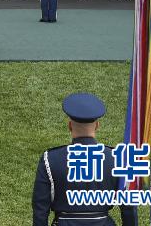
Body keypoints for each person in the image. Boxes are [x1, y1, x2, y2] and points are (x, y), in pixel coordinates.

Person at [32, 93, 137, 226]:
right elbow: (128, 209)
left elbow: (40, 209)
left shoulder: (50, 158)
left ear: (70, 126)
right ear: (97, 125)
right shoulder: (118, 158)